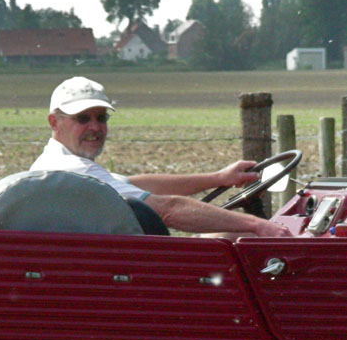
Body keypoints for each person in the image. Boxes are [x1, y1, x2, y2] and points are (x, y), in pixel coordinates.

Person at [30, 76, 292, 237]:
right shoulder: (75, 170)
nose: (95, 127)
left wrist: (219, 178)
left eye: (101, 118)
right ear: (55, 122)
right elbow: (167, 210)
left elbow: (135, 185)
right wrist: (260, 226)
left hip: (105, 262)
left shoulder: (58, 162)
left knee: (224, 234)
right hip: (115, 272)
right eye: (82, 119)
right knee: (236, 236)